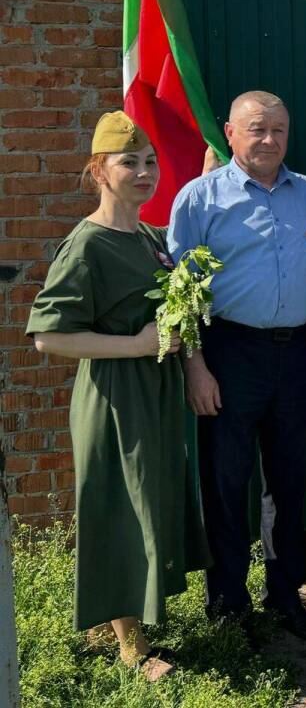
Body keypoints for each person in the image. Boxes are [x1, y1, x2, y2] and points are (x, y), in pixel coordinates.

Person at [26, 111, 210, 680]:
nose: (143, 171)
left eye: (149, 161)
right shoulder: (88, 245)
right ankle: (131, 649)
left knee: (149, 503)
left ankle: (142, 622)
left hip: (152, 393)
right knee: (121, 507)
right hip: (113, 397)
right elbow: (47, 336)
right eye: (128, 162)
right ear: (97, 171)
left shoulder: (152, 238)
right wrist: (134, 346)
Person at [168, 91, 306, 642]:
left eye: (279, 130)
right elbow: (180, 292)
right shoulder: (199, 200)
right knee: (226, 481)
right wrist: (195, 366)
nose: (269, 140)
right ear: (230, 134)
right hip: (229, 355)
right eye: (257, 129)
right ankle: (229, 605)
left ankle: (285, 597)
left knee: (288, 485)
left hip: (298, 354)